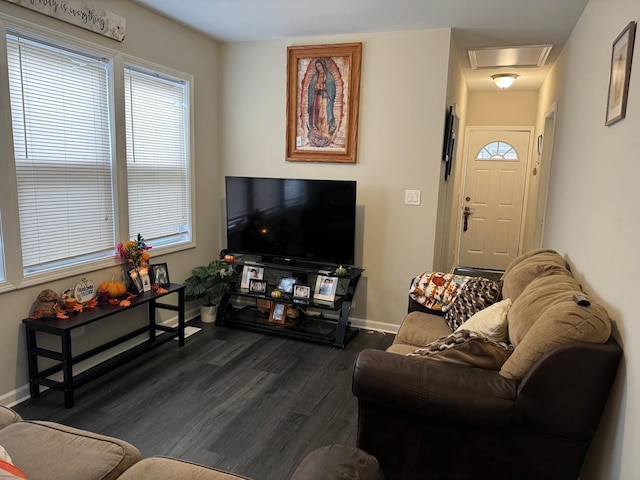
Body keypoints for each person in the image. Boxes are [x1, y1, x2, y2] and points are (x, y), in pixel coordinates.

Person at [307, 58, 336, 147]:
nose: (318, 68)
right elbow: (311, 88)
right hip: (316, 98)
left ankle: (325, 132)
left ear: (323, 65)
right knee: (316, 115)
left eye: (319, 66)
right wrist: (315, 87)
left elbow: (332, 89)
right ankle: (317, 131)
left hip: (325, 98)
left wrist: (323, 87)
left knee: (324, 114)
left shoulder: (329, 76)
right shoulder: (315, 76)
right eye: (317, 66)